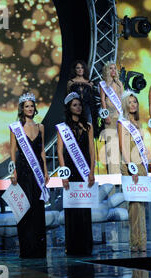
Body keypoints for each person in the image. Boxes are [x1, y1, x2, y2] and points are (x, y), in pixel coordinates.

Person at [10, 92, 49, 258]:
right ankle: (26, 248)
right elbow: (12, 152)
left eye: (32, 106)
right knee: (24, 209)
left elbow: (41, 152)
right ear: (22, 108)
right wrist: (13, 172)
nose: (30, 108)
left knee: (38, 209)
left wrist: (46, 171)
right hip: (23, 170)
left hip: (38, 171)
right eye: (26, 106)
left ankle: (39, 249)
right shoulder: (15, 128)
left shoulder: (40, 127)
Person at [57, 92, 96, 256]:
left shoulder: (88, 126)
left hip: (84, 170)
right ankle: (72, 247)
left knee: (85, 209)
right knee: (72, 210)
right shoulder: (63, 128)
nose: (78, 107)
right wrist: (63, 174)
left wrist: (92, 172)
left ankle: (86, 245)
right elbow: (59, 152)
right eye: (74, 105)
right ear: (68, 108)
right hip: (71, 171)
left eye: (79, 105)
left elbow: (92, 151)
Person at [118, 92, 148, 252]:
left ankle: (142, 243)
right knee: (134, 206)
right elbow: (123, 147)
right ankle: (135, 243)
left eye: (135, 101)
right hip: (130, 167)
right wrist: (131, 167)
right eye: (130, 102)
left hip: (140, 165)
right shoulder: (122, 123)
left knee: (141, 206)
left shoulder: (137, 122)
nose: (133, 104)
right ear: (125, 105)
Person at [99, 61, 124, 174]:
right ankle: (113, 174)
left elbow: (123, 100)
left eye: (114, 68)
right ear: (107, 71)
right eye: (111, 69)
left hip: (120, 117)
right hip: (110, 116)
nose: (113, 70)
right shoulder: (103, 84)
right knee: (111, 145)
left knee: (121, 145)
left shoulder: (119, 83)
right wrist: (106, 116)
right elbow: (103, 100)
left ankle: (122, 172)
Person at [67, 60, 94, 125]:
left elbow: (92, 97)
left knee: (89, 127)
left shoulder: (90, 83)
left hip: (87, 108)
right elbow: (68, 98)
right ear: (75, 70)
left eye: (82, 67)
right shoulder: (70, 82)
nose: (80, 69)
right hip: (75, 109)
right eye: (78, 68)